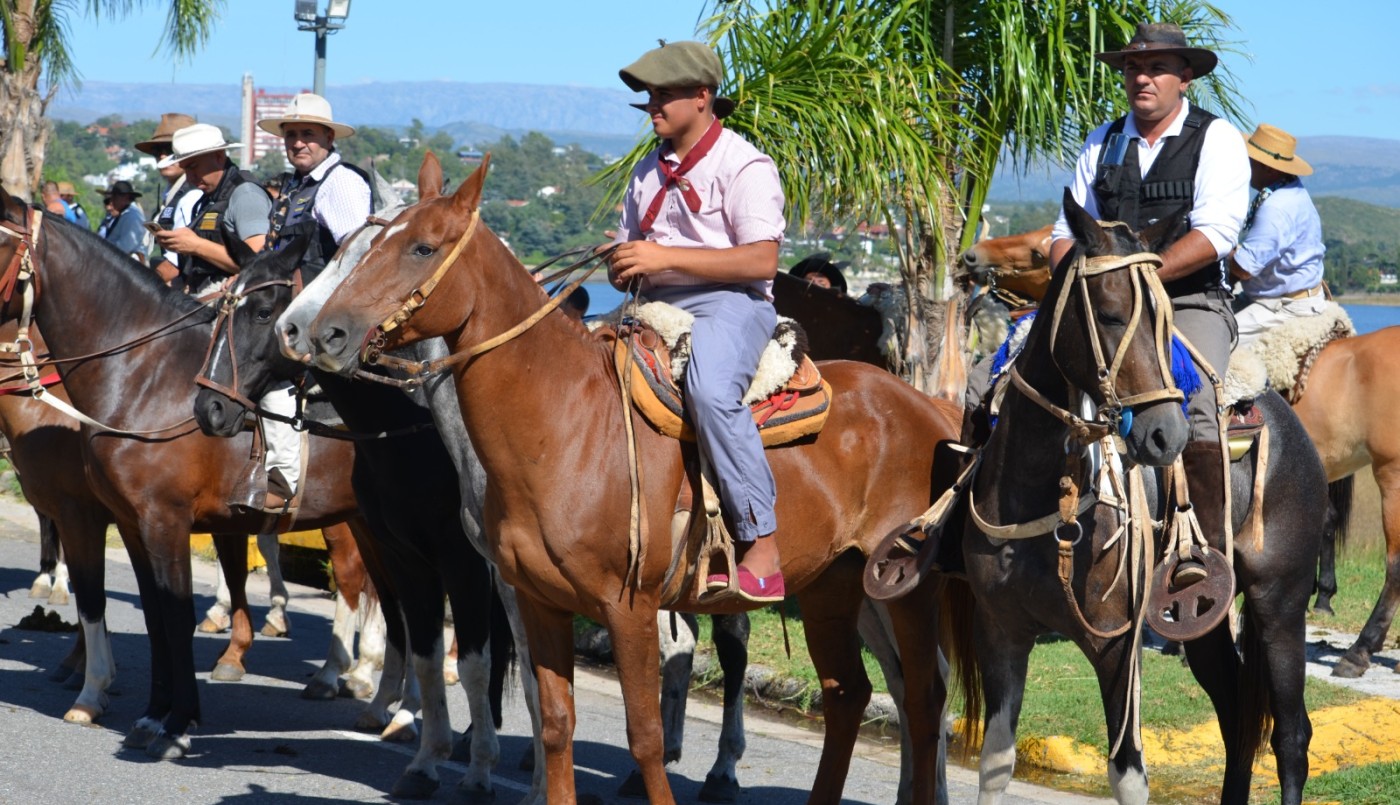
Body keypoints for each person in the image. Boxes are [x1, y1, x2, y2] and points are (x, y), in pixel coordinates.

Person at [1047, 22, 1250, 587]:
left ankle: (1202, 558)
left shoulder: (1217, 140)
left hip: (1186, 301)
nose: (1143, 78)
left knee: (1199, 401)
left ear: (1185, 77)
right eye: (1134, 68)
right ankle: (972, 537)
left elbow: (1216, 234)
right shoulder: (1102, 141)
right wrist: (1075, 282)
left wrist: (1137, 278)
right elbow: (1064, 232)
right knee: (1000, 380)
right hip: (1102, 307)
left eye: (1158, 68)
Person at [607, 40, 787, 603]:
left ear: (703, 96)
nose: (652, 106)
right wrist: (621, 262)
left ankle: (761, 539)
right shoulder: (646, 171)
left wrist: (662, 257)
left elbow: (762, 260)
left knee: (710, 392)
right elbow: (630, 253)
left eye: (663, 94)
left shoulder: (745, 165)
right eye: (649, 96)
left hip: (732, 301)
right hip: (652, 300)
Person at [1227, 124, 1326, 349]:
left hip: (1284, 306)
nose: (1245, 164)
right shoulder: (1292, 189)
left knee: (1217, 341)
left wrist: (1220, 251)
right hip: (1285, 296)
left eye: (1251, 160)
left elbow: (1244, 268)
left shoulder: (1276, 207)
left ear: (1268, 168)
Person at [257, 92, 372, 273]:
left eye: (308, 134)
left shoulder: (340, 181)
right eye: (291, 135)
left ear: (329, 138)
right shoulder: (296, 185)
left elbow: (357, 254)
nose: (298, 144)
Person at [153, 124, 270, 296]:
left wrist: (196, 245)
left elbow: (256, 261)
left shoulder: (246, 194)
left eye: (193, 166)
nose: (190, 177)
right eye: (185, 169)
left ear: (219, 156)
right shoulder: (210, 197)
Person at [137, 113, 201, 285]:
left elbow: (173, 266)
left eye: (171, 150)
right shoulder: (172, 194)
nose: (163, 157)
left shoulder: (192, 195)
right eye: (157, 151)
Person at [96, 180, 150, 263]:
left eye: (115, 197)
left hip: (127, 264)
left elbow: (126, 246)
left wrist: (101, 252)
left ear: (125, 197)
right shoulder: (124, 214)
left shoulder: (132, 216)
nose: (112, 201)